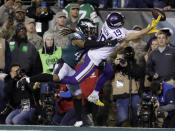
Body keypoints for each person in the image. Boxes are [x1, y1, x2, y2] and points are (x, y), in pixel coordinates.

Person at [17, 18, 118, 127]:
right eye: (90, 29)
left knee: (77, 95)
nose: (92, 31)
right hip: (64, 64)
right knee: (56, 77)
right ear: (84, 28)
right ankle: (27, 79)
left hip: (72, 68)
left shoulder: (83, 37)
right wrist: (104, 42)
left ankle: (79, 120)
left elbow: (91, 49)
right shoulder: (77, 36)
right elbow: (84, 44)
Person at [54, 12, 160, 105]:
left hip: (101, 58)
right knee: (75, 80)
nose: (123, 21)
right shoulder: (115, 33)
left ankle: (94, 95)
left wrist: (146, 31)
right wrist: (147, 29)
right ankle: (53, 79)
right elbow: (130, 36)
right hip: (94, 59)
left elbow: (129, 32)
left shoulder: (108, 23)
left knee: (109, 72)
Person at [111, 47, 142, 126]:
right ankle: (117, 126)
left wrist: (126, 66)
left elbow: (138, 74)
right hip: (120, 94)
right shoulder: (113, 66)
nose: (120, 60)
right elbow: (107, 76)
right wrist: (114, 65)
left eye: (121, 58)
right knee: (123, 118)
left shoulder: (132, 64)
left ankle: (135, 125)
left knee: (137, 109)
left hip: (134, 93)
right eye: (118, 58)